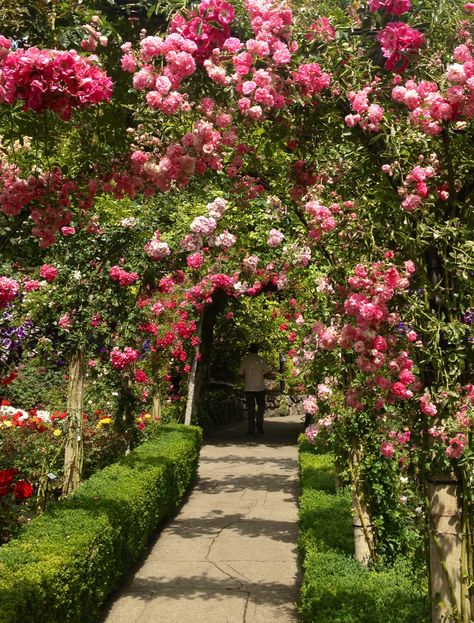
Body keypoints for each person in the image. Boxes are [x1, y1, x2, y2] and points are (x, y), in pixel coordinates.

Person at [239, 343, 272, 434]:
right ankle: (260, 424)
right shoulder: (260, 360)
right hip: (260, 387)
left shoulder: (245, 360)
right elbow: (268, 372)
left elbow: (240, 374)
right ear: (257, 350)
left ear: (249, 349)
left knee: (250, 408)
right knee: (261, 406)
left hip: (249, 387)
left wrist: (247, 378)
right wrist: (262, 375)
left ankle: (251, 428)